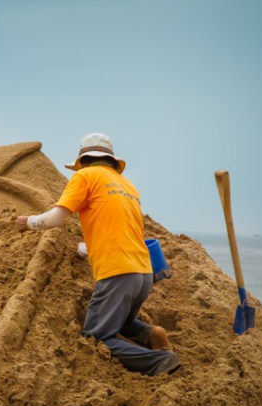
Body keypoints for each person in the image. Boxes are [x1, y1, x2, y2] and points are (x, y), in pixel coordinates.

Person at [15, 133, 181, 376]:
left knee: (96, 337)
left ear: (83, 161)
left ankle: (158, 362)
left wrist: (28, 222)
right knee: (120, 321)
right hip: (143, 273)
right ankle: (149, 333)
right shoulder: (127, 186)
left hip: (117, 273)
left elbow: (56, 218)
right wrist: (83, 249)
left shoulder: (85, 176)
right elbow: (114, 231)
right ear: (111, 161)